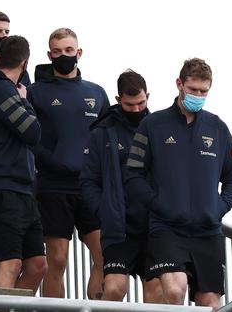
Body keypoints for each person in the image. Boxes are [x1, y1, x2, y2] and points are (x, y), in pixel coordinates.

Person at [124, 58, 232, 308]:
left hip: (207, 230)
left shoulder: (218, 127)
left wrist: (217, 208)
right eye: (193, 90)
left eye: (204, 91)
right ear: (179, 84)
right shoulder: (152, 124)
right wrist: (158, 205)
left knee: (209, 303)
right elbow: (133, 174)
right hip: (166, 228)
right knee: (175, 290)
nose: (198, 96)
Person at [27, 27, 109, 299]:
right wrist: (51, 161)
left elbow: (108, 139)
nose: (64, 55)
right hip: (53, 187)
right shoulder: (35, 92)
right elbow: (28, 138)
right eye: (58, 51)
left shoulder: (97, 93)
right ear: (49, 55)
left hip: (90, 188)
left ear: (79, 53)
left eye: (69, 50)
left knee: (104, 255)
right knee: (58, 259)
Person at [80, 69, 163, 303]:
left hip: (153, 226)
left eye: (141, 103)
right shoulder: (102, 133)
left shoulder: (160, 128)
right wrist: (105, 209)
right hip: (118, 227)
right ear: (118, 100)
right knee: (115, 288)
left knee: (156, 289)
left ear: (148, 96)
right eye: (129, 105)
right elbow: (88, 181)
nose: (136, 109)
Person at [0, 35, 47, 293]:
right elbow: (32, 132)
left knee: (37, 264)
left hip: (22, 189)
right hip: (0, 189)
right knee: (10, 262)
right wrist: (25, 100)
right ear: (25, 63)